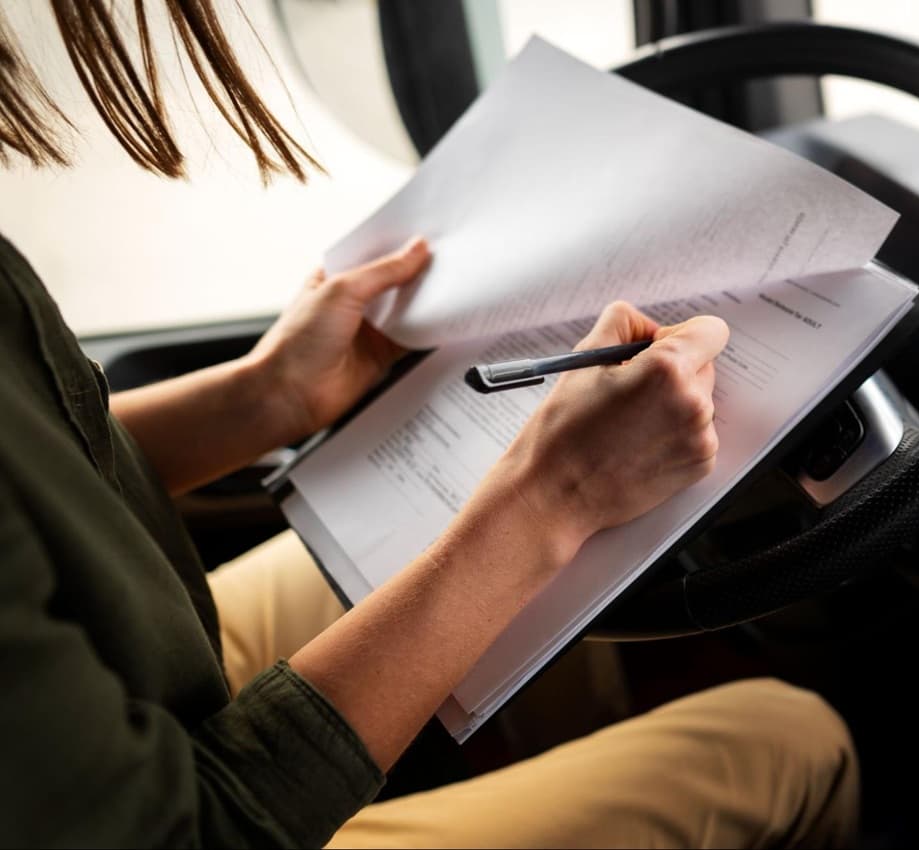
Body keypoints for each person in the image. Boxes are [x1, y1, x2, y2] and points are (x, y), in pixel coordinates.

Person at [0, 2, 858, 846]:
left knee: (487, 563)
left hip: (107, 671)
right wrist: (549, 499)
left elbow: (32, 461)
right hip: (165, 796)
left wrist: (264, 398)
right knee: (789, 741)